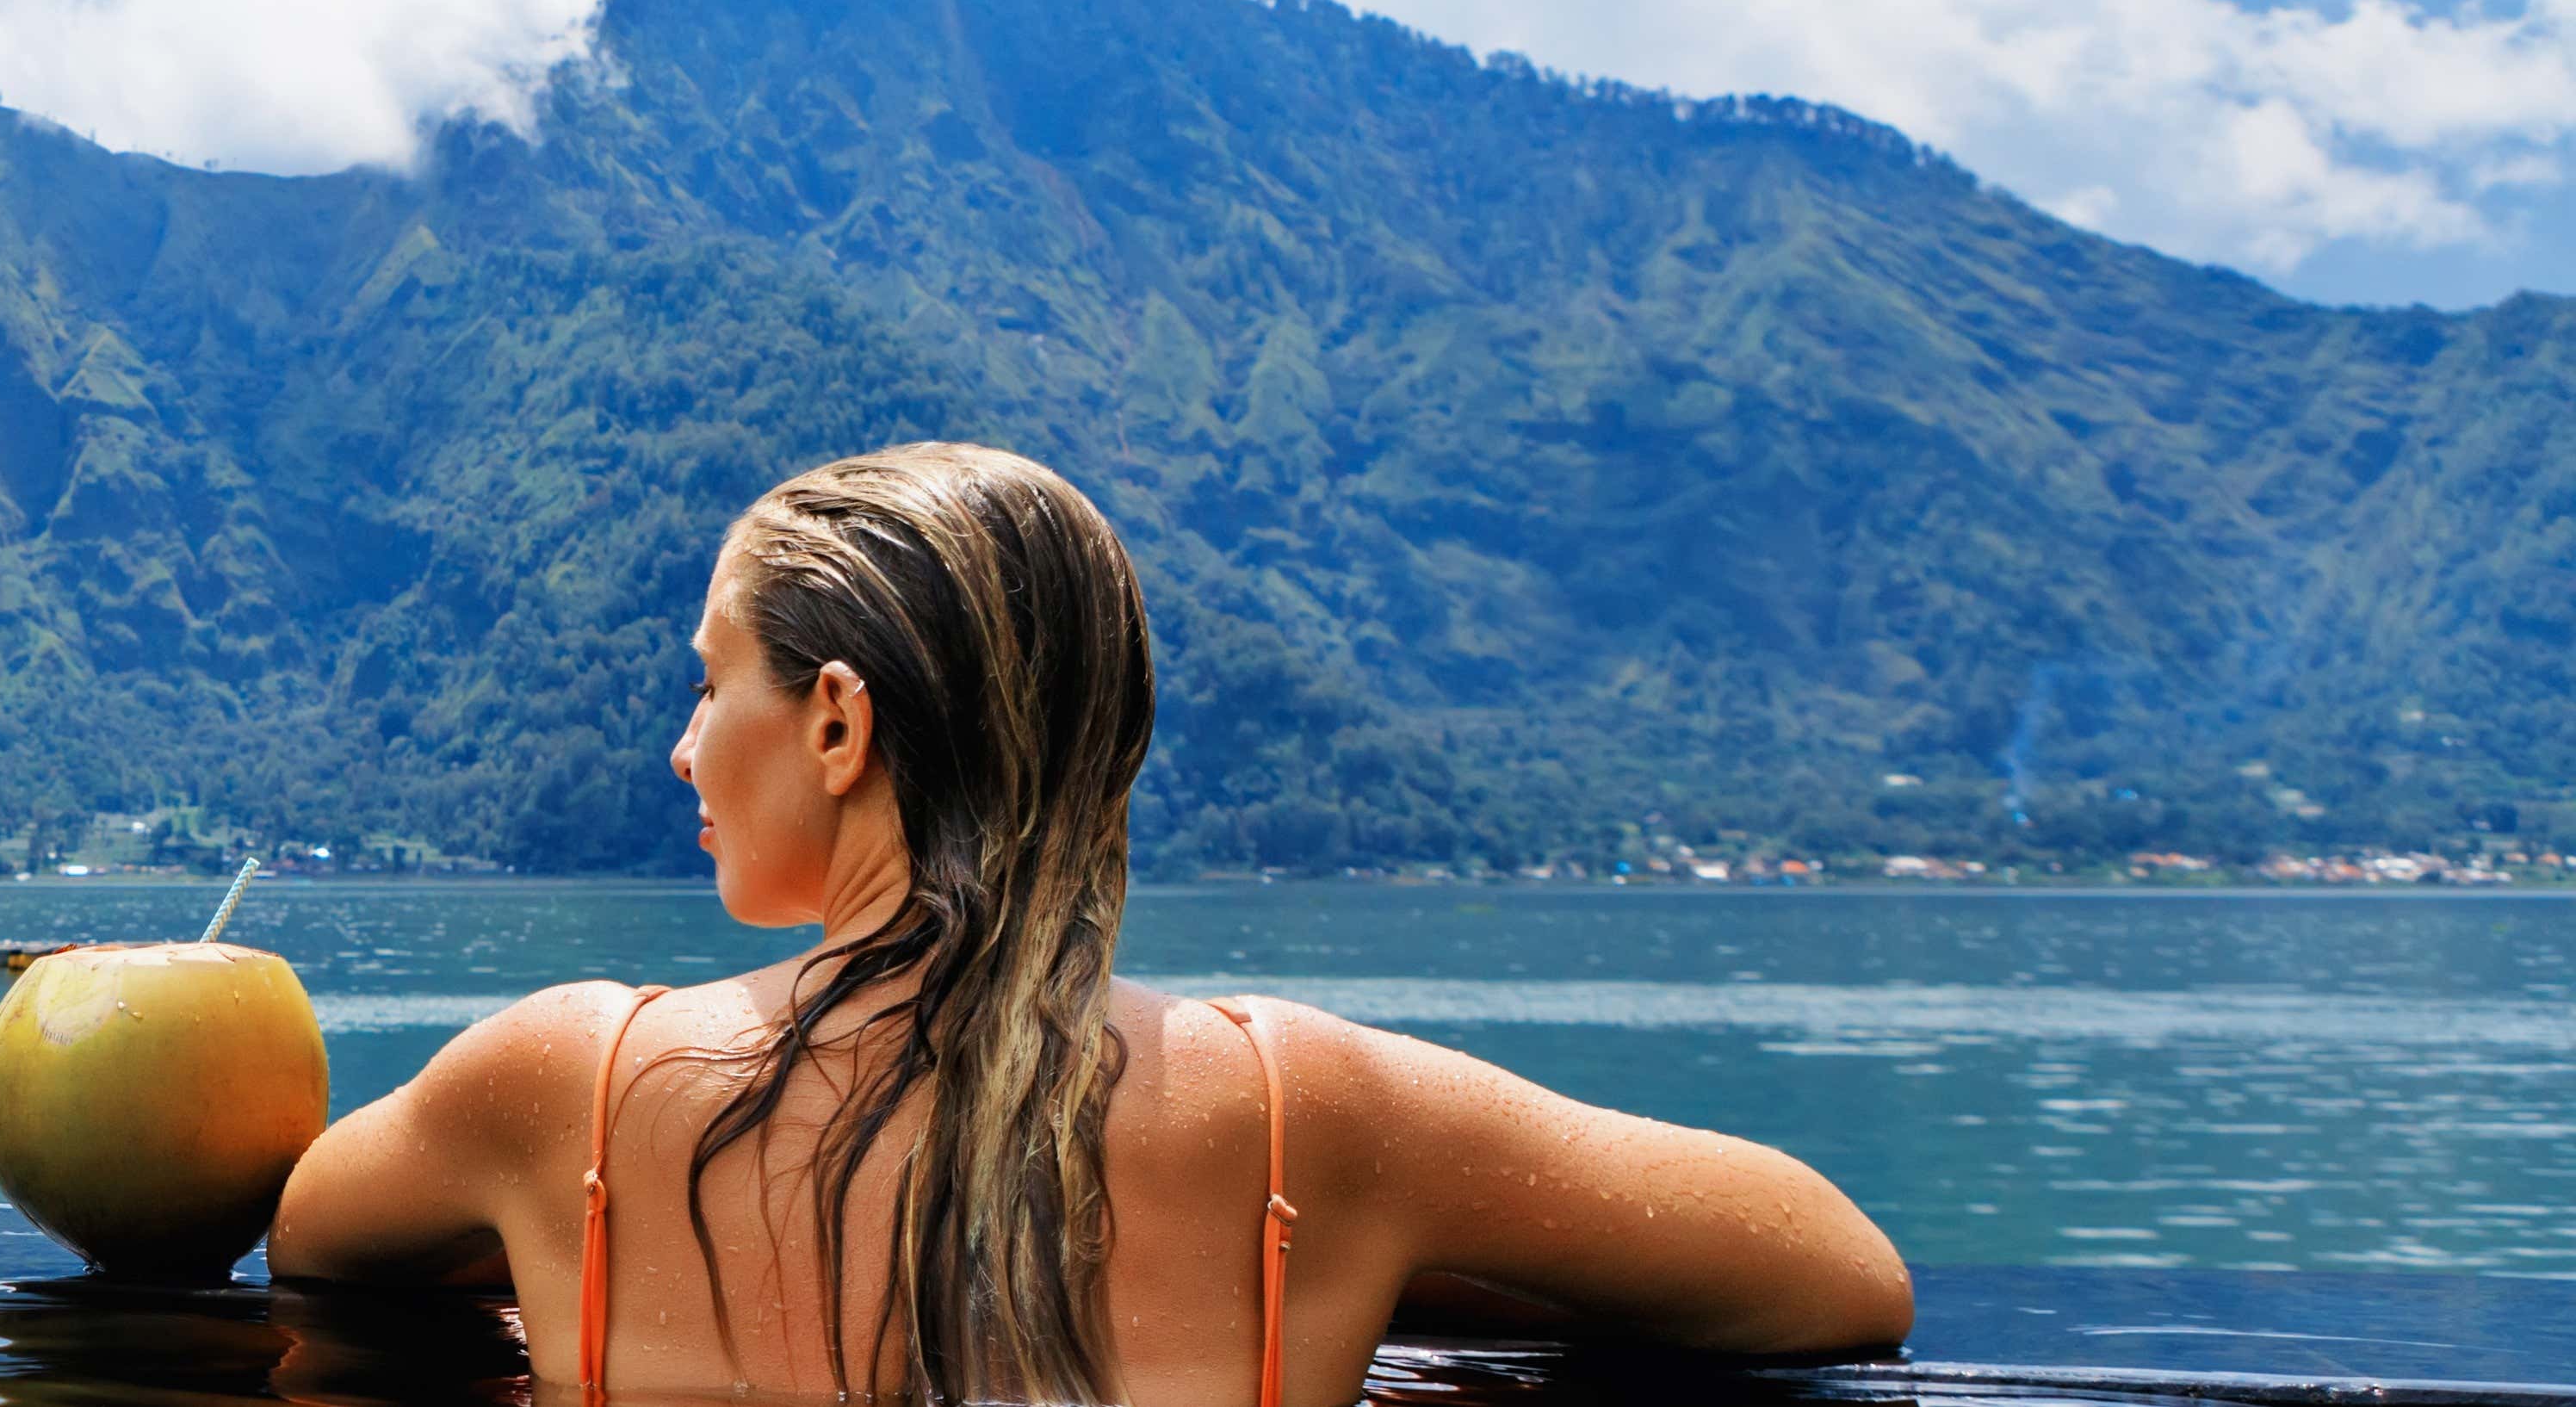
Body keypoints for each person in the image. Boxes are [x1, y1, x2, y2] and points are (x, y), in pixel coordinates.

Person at [269, 443, 1907, 1407]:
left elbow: (318, 1240)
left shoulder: (570, 1087)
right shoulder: (1302, 1120)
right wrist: (1420, 1248)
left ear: (839, 726)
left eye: (712, 682)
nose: (685, 746)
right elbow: (1834, 1274)